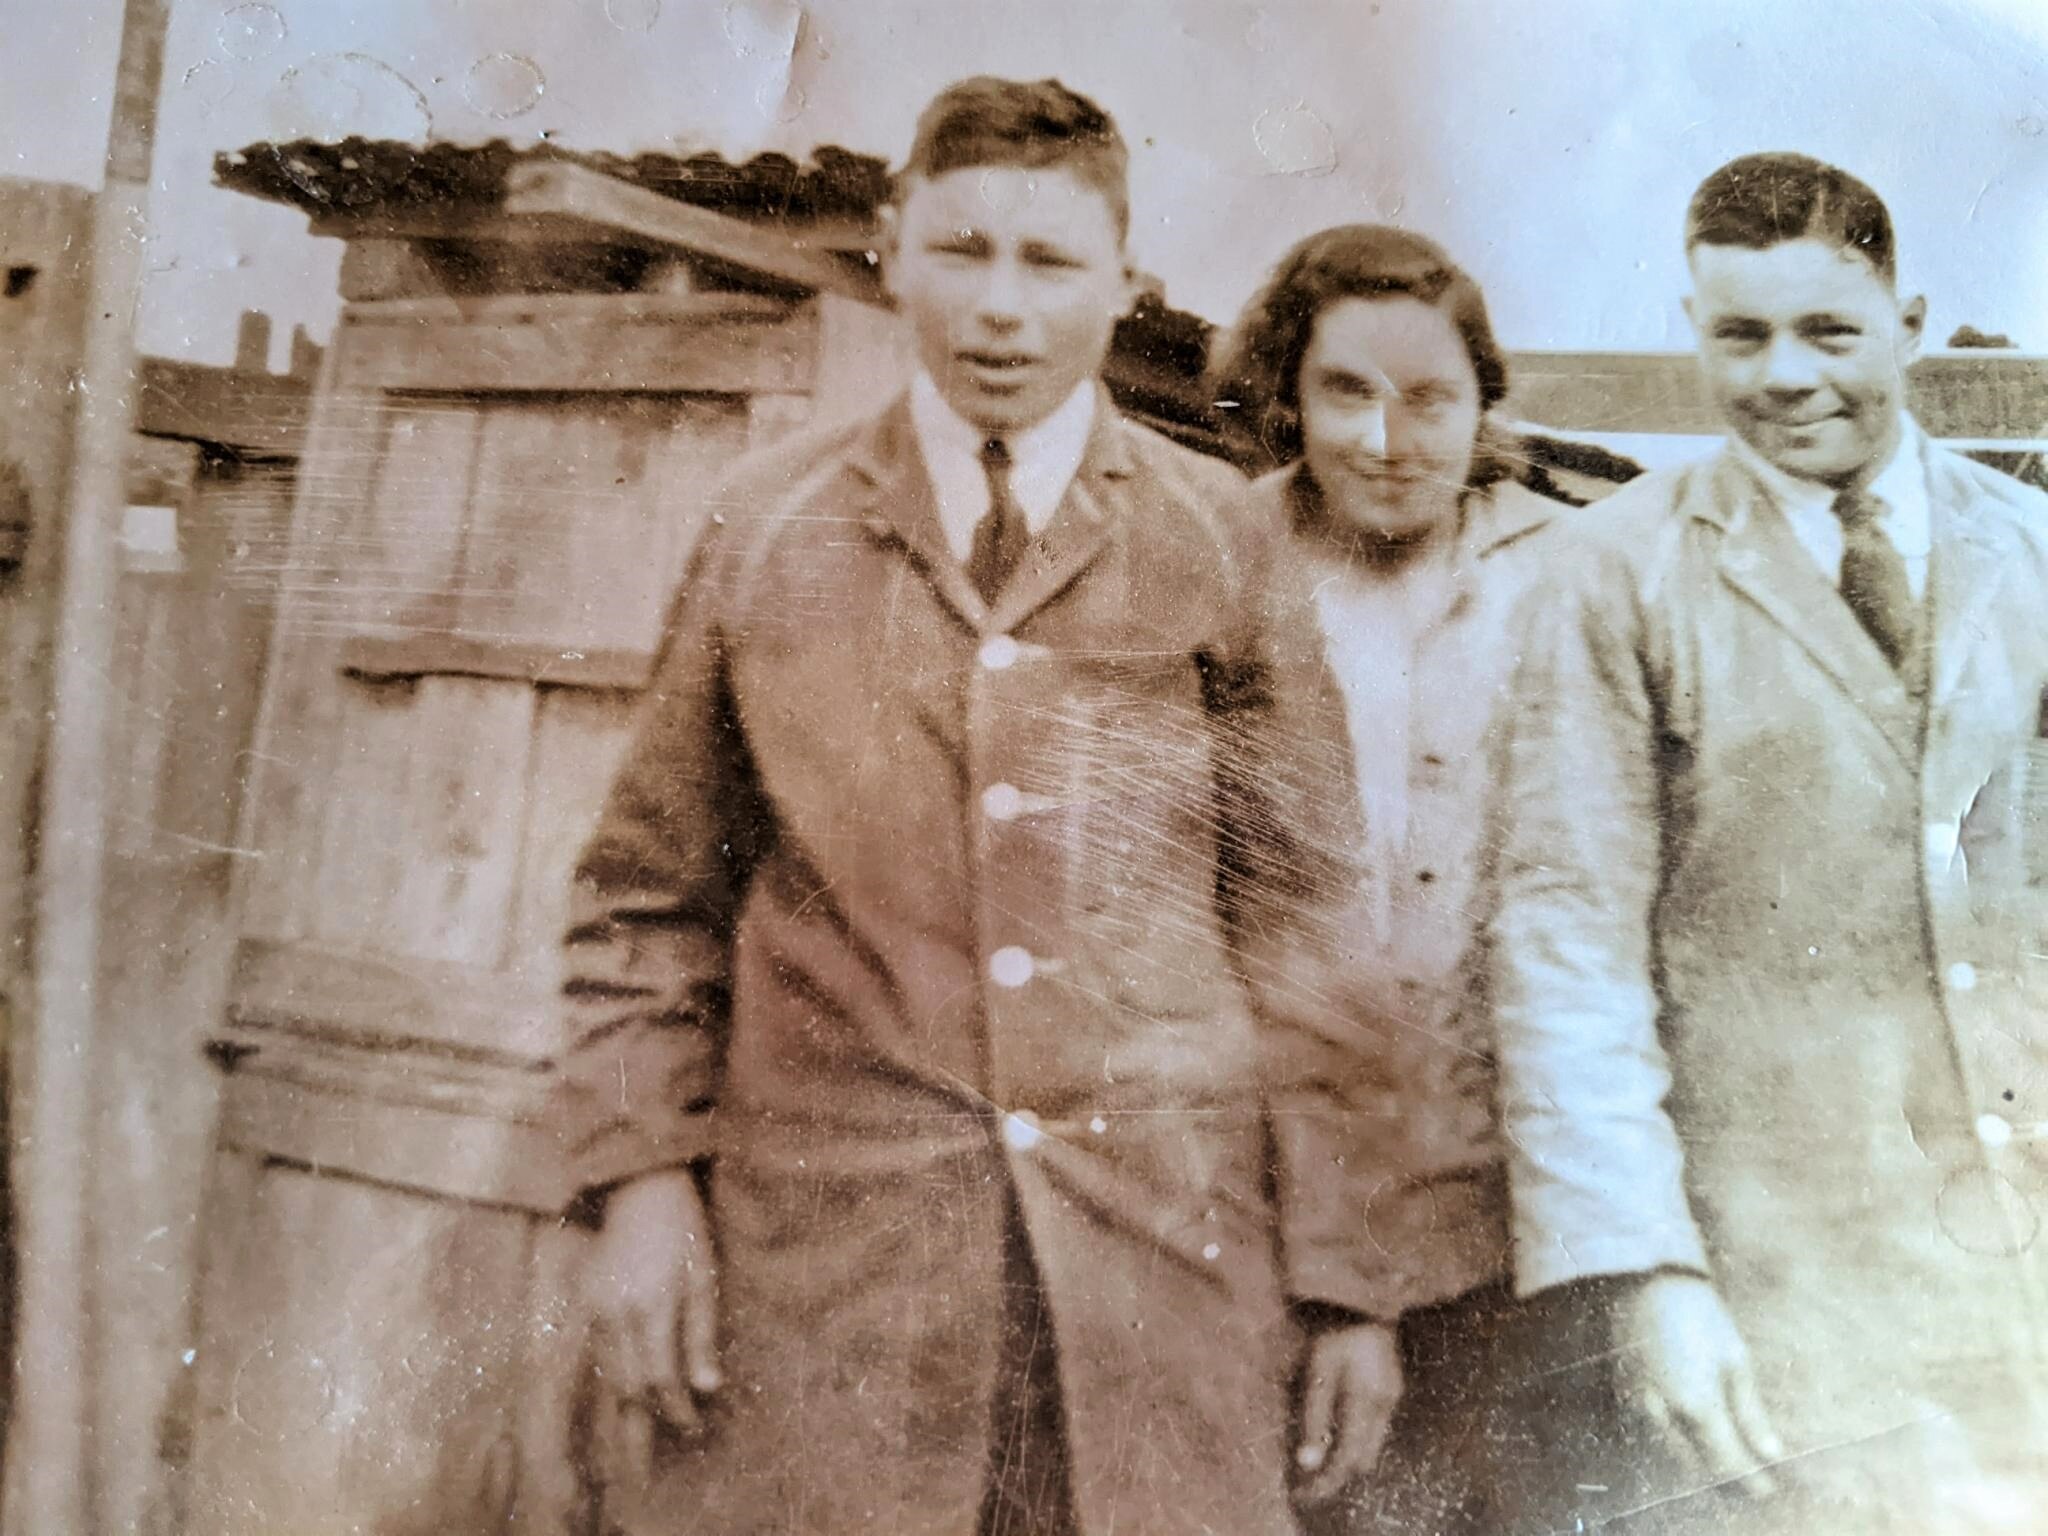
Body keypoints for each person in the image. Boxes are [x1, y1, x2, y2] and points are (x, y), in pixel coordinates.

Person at [554, 75, 1383, 1536]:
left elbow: (1306, 931)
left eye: (1052, 263)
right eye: (964, 251)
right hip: (836, 1285)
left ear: (1123, 286)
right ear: (892, 251)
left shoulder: (1223, 545)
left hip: (1152, 1275)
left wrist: (1345, 1279)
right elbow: (645, 899)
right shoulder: (770, 522)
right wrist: (637, 1186)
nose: (1003, 308)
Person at [1488, 151, 2048, 1534]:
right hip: (1775, 1275)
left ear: (1908, 323)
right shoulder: (1610, 574)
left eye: (1829, 331)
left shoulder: (2030, 548)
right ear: (1695, 330)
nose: (1785, 375)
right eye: (1740, 335)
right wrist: (1648, 1276)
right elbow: (1566, 944)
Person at [1210, 225, 1590, 1536]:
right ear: (1286, 396)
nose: (1387, 441)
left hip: (1505, 1196)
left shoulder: (1571, 576)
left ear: (1484, 402)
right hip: (1263, 1179)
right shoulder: (1213, 558)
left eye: (1430, 398)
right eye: (1345, 393)